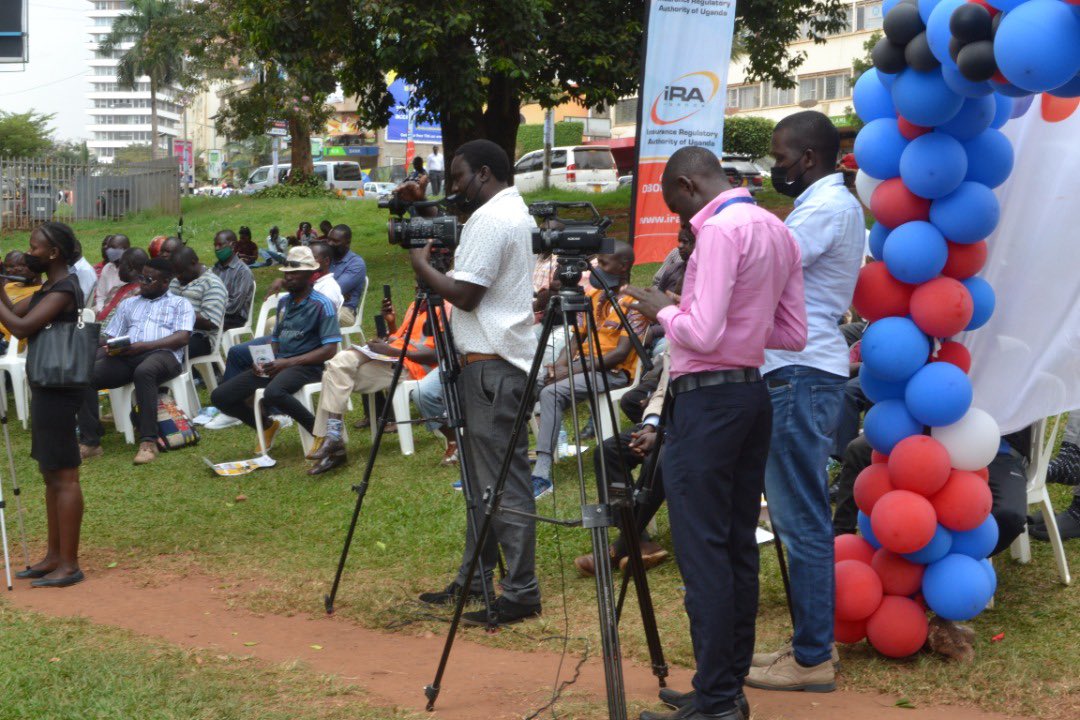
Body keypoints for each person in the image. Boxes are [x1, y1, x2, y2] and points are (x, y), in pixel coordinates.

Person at [626, 146, 806, 720]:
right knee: (734, 548)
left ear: (686, 184)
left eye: (675, 206)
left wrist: (662, 309)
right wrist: (709, 315)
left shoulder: (721, 231)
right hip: (751, 396)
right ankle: (723, 687)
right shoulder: (776, 228)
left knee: (703, 552)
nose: (680, 219)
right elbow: (793, 331)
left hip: (708, 406)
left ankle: (719, 698)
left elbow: (699, 335)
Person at [746, 111, 866, 694]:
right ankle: (808, 645)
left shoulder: (826, 208)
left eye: (780, 157)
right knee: (798, 516)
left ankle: (813, 657)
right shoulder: (823, 202)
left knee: (802, 521)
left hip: (799, 371)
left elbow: (764, 266)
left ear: (808, 158)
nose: (775, 167)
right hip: (796, 369)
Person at [408, 139, 541, 627]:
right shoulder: (514, 213)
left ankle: (521, 590)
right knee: (485, 483)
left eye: (460, 178)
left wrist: (422, 266)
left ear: (484, 173)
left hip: (492, 367)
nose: (455, 188)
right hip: (491, 365)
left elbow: (464, 296)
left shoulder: (491, 219)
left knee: (502, 484)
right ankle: (476, 579)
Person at [0, 222, 87, 587]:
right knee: (50, 472)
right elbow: (16, 315)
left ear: (53, 254)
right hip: (46, 384)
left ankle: (70, 564)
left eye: (34, 247)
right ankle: (54, 556)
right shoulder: (49, 286)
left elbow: (21, 329)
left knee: (64, 474)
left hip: (59, 387)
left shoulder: (65, 288)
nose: (27, 252)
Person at [531, 242, 648, 497]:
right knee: (527, 384)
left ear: (624, 266)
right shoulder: (593, 295)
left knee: (551, 394)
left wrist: (570, 371)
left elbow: (618, 355)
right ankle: (517, 460)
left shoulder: (636, 302)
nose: (598, 269)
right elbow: (576, 337)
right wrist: (560, 367)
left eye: (604, 264)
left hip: (613, 373)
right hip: (582, 368)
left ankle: (541, 475)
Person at [210, 246, 341, 453]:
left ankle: (321, 434)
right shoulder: (284, 303)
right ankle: (267, 425)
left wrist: (287, 362)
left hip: (308, 366)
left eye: (294, 273)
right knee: (220, 397)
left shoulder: (322, 305)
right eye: (286, 273)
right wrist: (263, 360)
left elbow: (330, 350)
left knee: (273, 393)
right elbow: (276, 340)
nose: (288, 278)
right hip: (279, 364)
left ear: (309, 275)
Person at [307, 290, 439, 475]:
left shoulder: (445, 308)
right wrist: (391, 323)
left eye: (420, 284)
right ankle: (333, 440)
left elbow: (440, 354)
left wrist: (391, 351)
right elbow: (402, 339)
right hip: (392, 360)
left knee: (334, 371)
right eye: (416, 285)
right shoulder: (415, 305)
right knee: (336, 368)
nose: (417, 289)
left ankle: (333, 443)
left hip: (412, 369)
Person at [78, 257, 195, 466]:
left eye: (148, 279)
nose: (142, 282)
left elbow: (182, 338)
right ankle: (91, 442)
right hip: (129, 354)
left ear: (165, 282)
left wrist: (144, 346)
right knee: (85, 375)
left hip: (164, 355)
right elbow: (112, 334)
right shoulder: (129, 303)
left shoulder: (180, 304)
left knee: (145, 371)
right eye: (141, 277)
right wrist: (99, 343)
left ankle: (148, 442)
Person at [574, 353, 671, 577]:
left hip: (697, 426)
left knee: (657, 460)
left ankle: (620, 548)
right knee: (609, 451)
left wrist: (663, 435)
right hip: (664, 423)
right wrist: (649, 427)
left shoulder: (706, 331)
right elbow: (662, 391)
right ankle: (639, 540)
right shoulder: (675, 332)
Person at [169, 246, 228, 358]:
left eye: (180, 272)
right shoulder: (176, 282)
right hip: (172, 331)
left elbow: (209, 322)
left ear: (193, 263)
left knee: (164, 352)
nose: (177, 276)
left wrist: (177, 313)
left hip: (201, 338)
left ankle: (188, 375)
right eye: (175, 273)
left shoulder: (212, 284)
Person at [211, 229, 256, 331]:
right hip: (216, 314)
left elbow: (233, 307)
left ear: (233, 246)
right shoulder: (214, 269)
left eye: (220, 245)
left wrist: (210, 308)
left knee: (202, 325)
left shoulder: (243, 272)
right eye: (215, 245)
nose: (217, 248)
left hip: (235, 318)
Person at [324, 224, 367, 327]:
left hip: (344, 311)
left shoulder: (356, 263)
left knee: (311, 316)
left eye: (335, 241)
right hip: (320, 306)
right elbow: (308, 282)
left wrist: (334, 294)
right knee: (281, 318)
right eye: (329, 240)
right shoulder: (326, 259)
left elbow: (331, 292)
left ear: (347, 243)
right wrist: (338, 295)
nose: (330, 244)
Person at [0, 251, 42, 347]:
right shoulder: (10, 285)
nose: (18, 269)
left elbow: (14, 313)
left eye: (23, 265)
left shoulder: (40, 293)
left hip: (8, 342)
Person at [97, 247, 148, 324]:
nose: (119, 269)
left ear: (130, 268)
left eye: (121, 264)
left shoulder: (139, 296)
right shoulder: (116, 289)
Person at [92, 234, 131, 314]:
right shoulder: (107, 268)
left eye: (113, 248)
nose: (109, 251)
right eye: (108, 248)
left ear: (126, 249)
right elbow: (100, 297)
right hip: (106, 312)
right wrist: (101, 310)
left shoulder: (134, 269)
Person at [308, 242, 344, 312]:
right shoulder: (312, 282)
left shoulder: (328, 288)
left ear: (326, 261)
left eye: (313, 258)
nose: (308, 262)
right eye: (306, 258)